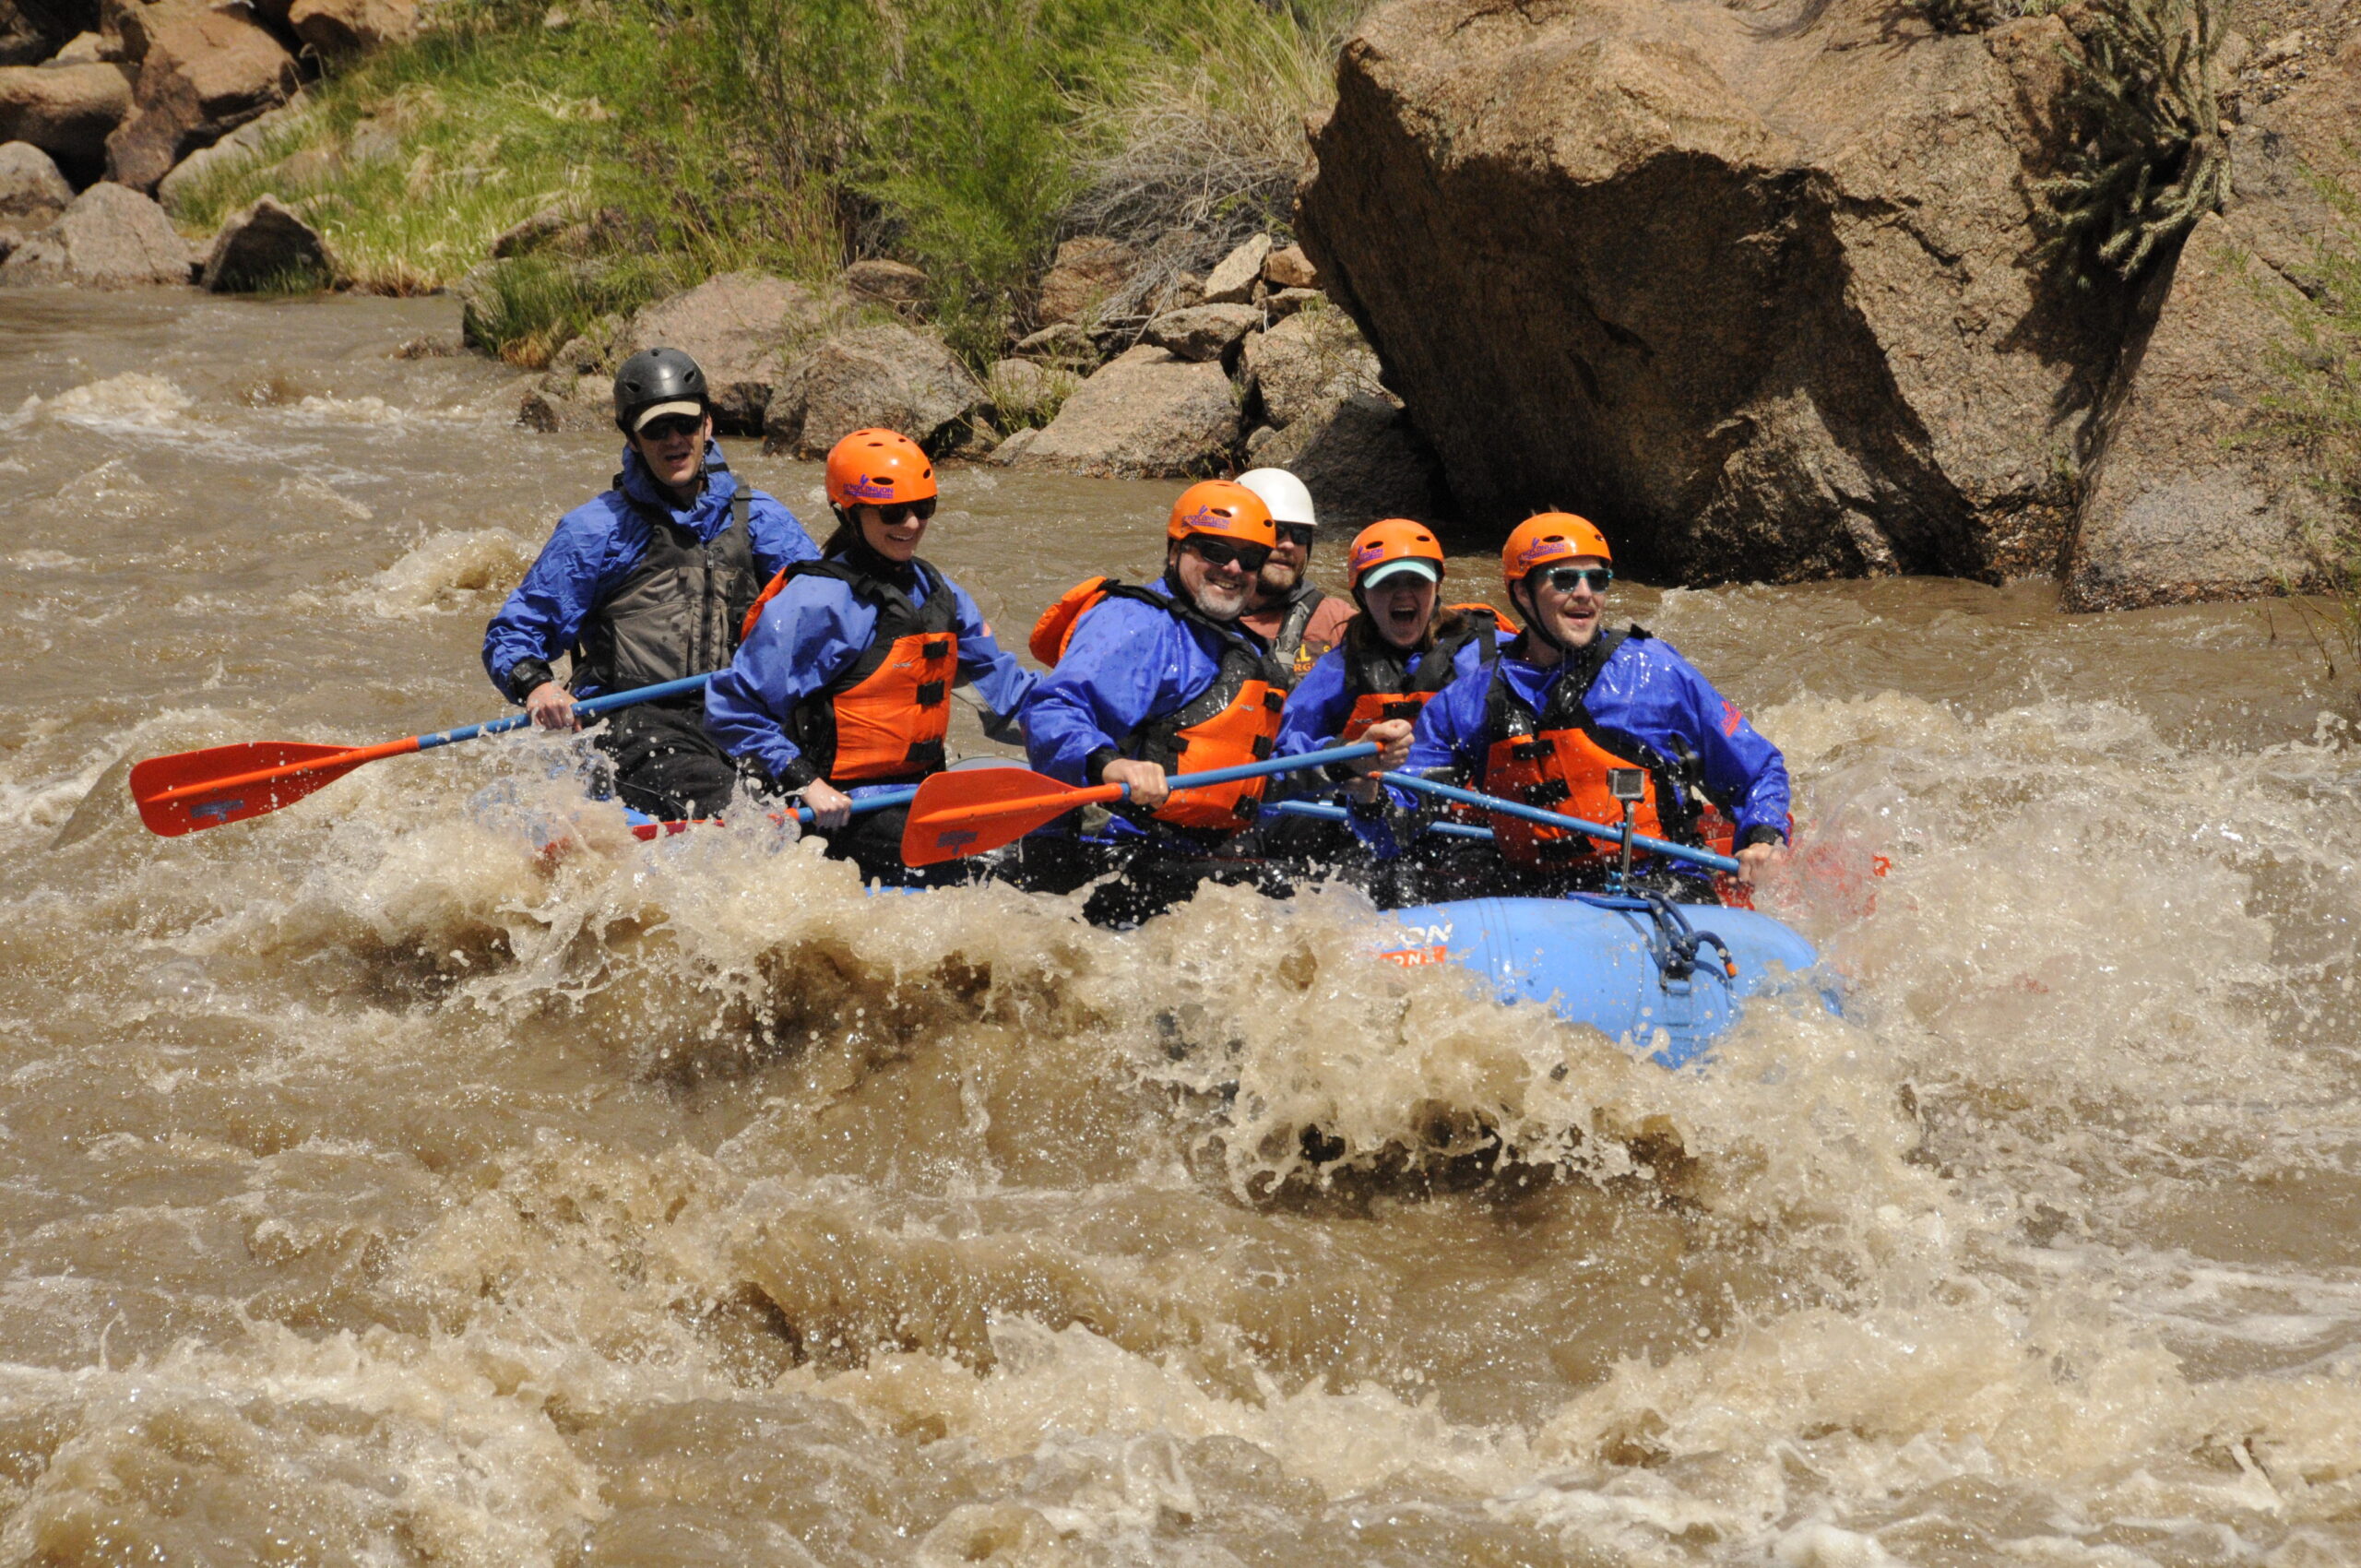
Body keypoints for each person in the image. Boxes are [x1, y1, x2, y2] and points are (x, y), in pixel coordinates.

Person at [1020, 479, 1411, 926]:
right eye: (1213, 550)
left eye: (1248, 558)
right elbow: (1052, 711)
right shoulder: (1137, 622)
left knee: (1348, 894)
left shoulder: (1241, 648)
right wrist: (1110, 763)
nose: (1231, 568)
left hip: (1202, 854)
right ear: (1175, 551)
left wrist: (1350, 758)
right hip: (1115, 851)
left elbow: (1266, 766)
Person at [1379, 512, 1789, 902]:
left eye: (1597, 579)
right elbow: (1398, 818)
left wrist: (1763, 837)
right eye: (1564, 580)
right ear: (1521, 593)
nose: (1584, 594)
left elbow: (1758, 770)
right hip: (1531, 892)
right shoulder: (1467, 701)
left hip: (1658, 882)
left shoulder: (1654, 672)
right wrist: (1367, 791)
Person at [481, 348, 818, 818]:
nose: (674, 439)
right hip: (635, 725)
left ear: (707, 425)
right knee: (736, 808)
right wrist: (538, 687)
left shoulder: (760, 518)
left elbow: (828, 609)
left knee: (816, 787)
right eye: (656, 429)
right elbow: (514, 634)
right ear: (633, 439)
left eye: (684, 423)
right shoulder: (594, 530)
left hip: (740, 717)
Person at [703, 429, 1036, 885]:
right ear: (849, 512)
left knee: (1044, 846)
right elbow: (733, 709)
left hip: (919, 794)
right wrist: (807, 783)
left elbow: (1007, 695)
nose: (912, 524)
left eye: (924, 508)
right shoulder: (815, 602)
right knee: (979, 874)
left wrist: (1096, 745)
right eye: (894, 512)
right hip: (838, 807)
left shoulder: (941, 595)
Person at [1235, 468, 1355, 685]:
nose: (1289, 544)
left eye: (1300, 534)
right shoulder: (1203, 620)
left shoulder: (1336, 621)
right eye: (1276, 530)